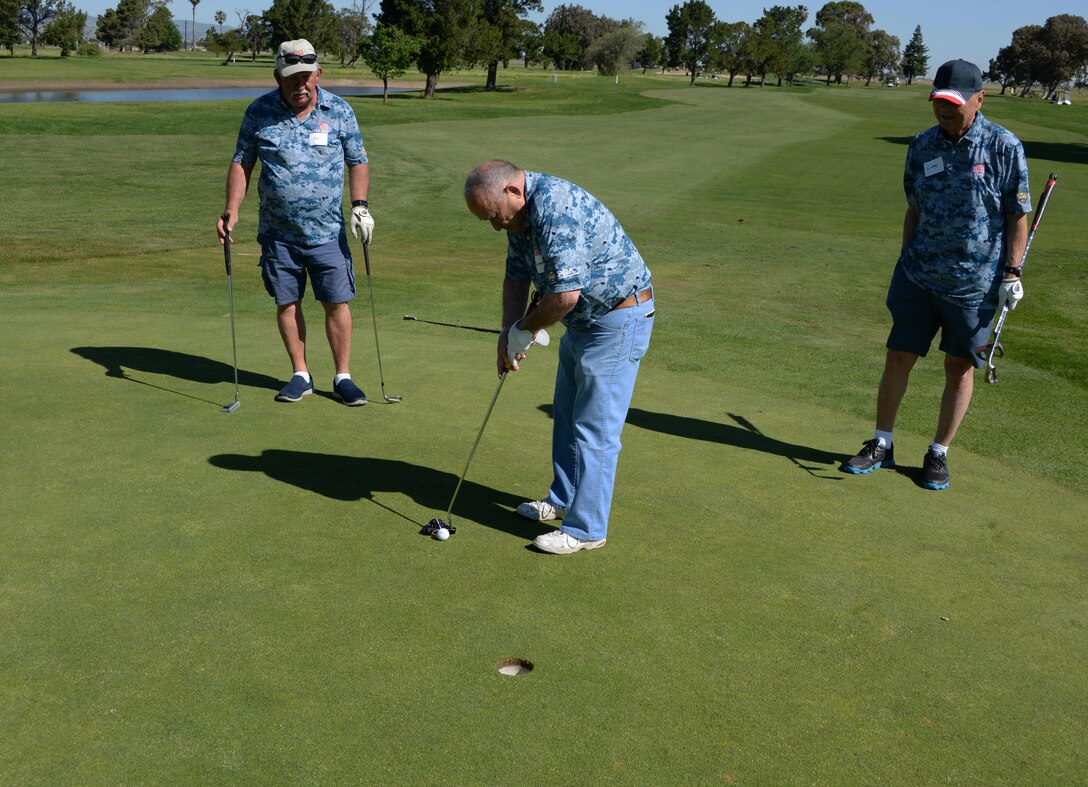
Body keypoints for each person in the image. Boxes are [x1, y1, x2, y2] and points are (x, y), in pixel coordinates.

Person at [843, 59, 1030, 489]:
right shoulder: (923, 144)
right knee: (898, 355)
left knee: (959, 368)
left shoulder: (1004, 146)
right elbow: (914, 206)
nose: (945, 110)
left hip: (975, 284)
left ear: (979, 99)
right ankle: (882, 443)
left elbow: (1018, 215)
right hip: (918, 275)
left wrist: (1012, 274)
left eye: (955, 103)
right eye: (939, 102)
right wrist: (905, 258)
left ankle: (938, 453)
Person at [464, 160, 655, 555]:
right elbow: (517, 275)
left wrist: (525, 329)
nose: (496, 226)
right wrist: (508, 331)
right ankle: (565, 499)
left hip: (617, 318)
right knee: (567, 418)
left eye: (495, 216)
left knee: (595, 429)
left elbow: (564, 296)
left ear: (513, 192)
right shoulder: (520, 217)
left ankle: (587, 529)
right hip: (584, 322)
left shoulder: (555, 208)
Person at [216, 39, 375, 406]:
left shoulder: (339, 111)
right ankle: (300, 374)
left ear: (318, 74)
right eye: (292, 78)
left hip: (327, 232)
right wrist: (232, 209)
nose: (300, 84)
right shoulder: (259, 112)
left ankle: (343, 377)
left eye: (307, 76)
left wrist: (361, 206)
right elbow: (242, 162)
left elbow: (358, 160)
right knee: (287, 302)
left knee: (337, 302)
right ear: (278, 76)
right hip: (277, 234)